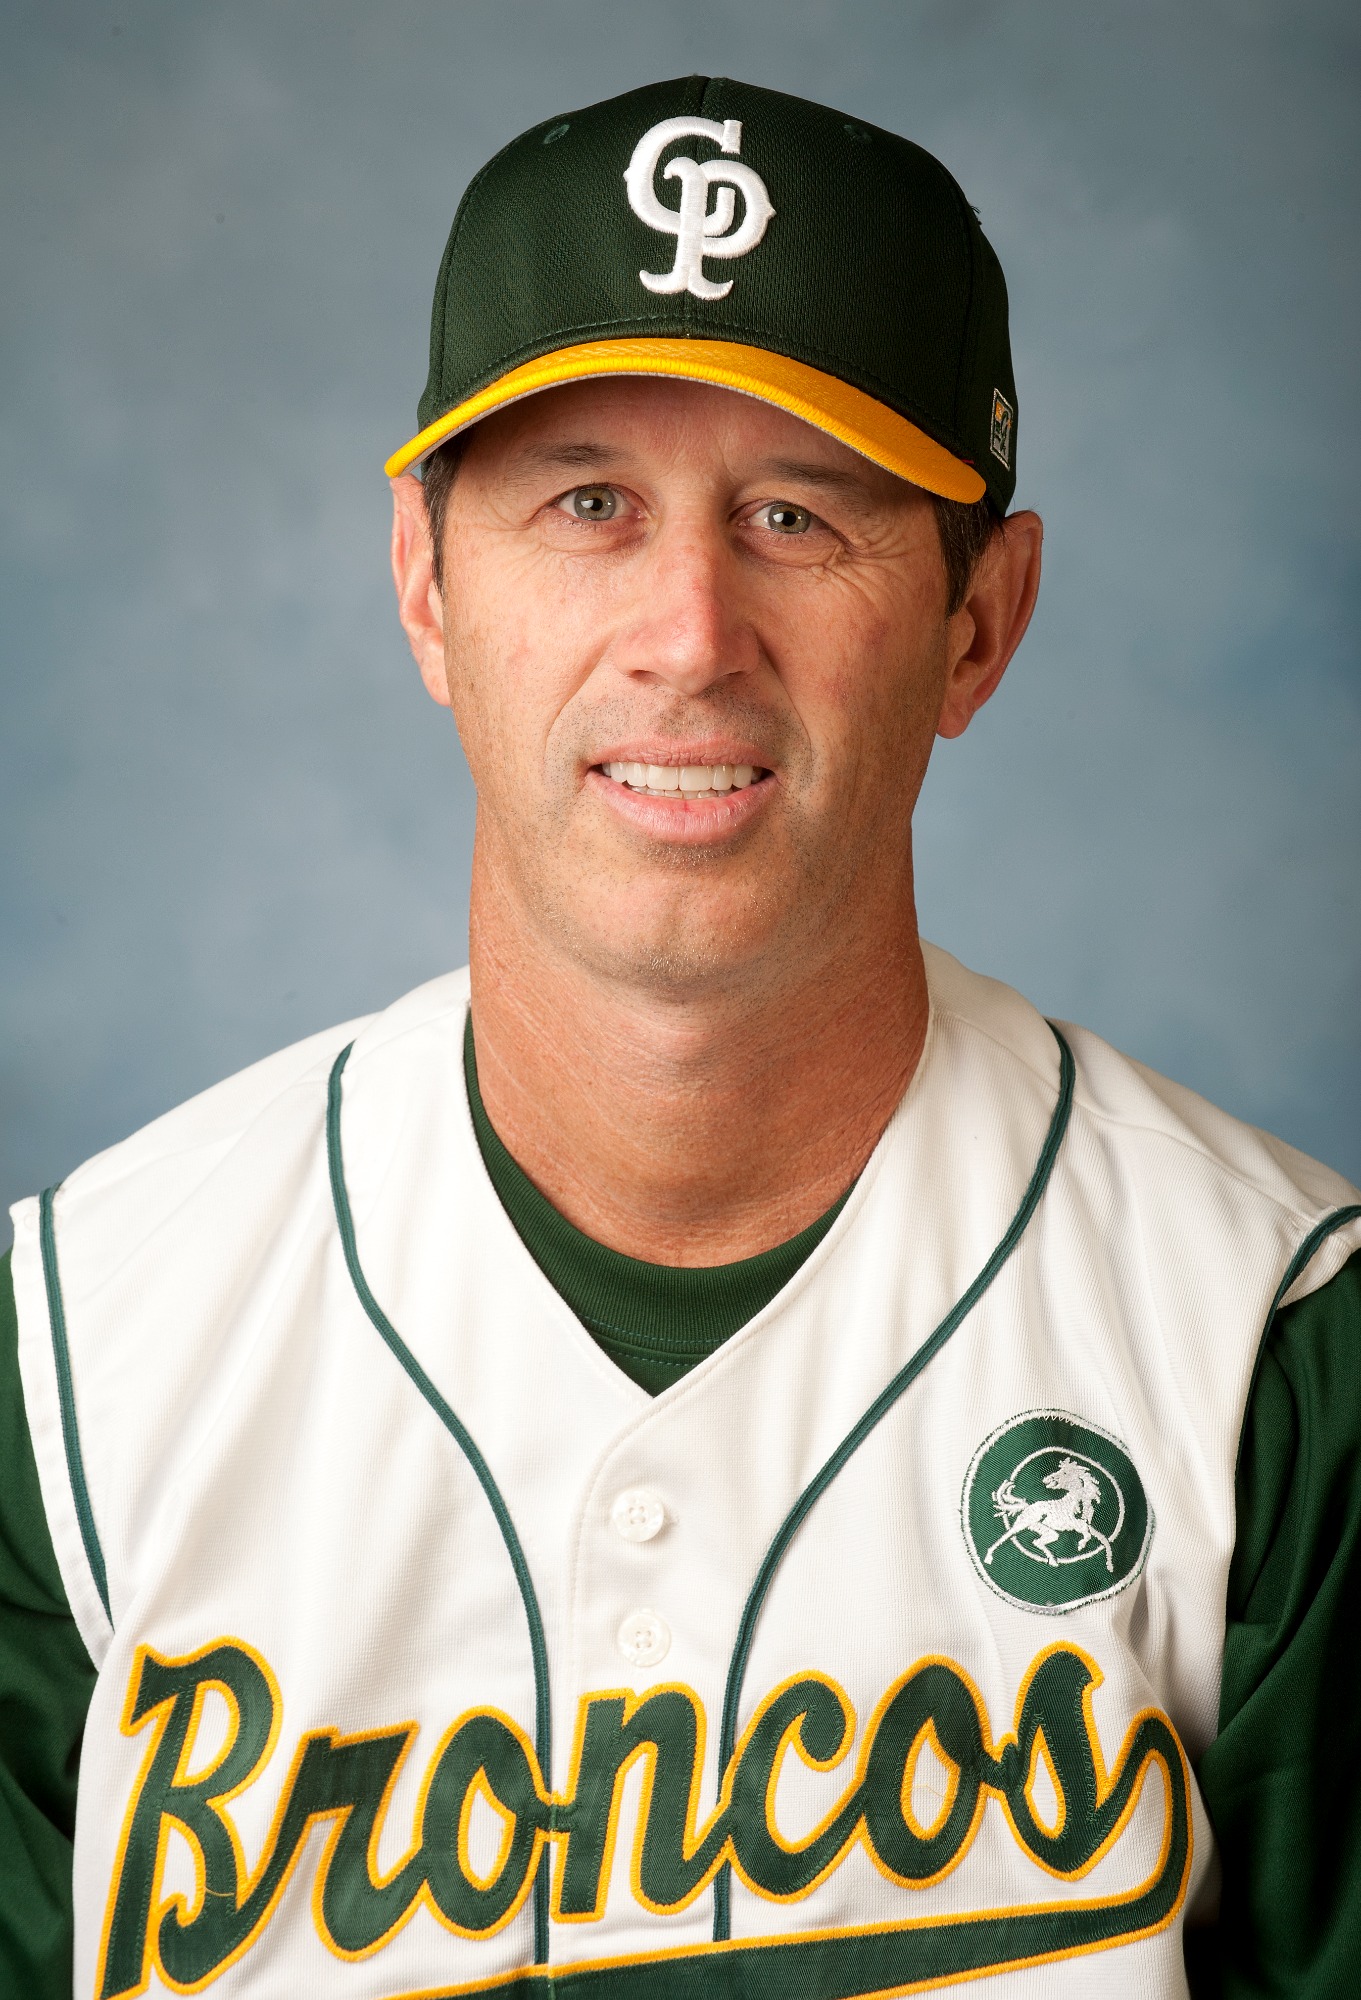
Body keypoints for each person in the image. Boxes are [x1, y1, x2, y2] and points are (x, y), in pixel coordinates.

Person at [3, 74, 1358, 2000]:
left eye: (797, 514)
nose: (689, 633)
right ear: (426, 584)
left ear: (979, 623)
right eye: (587, 505)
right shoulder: (72, 1370)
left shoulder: (1275, 1349)